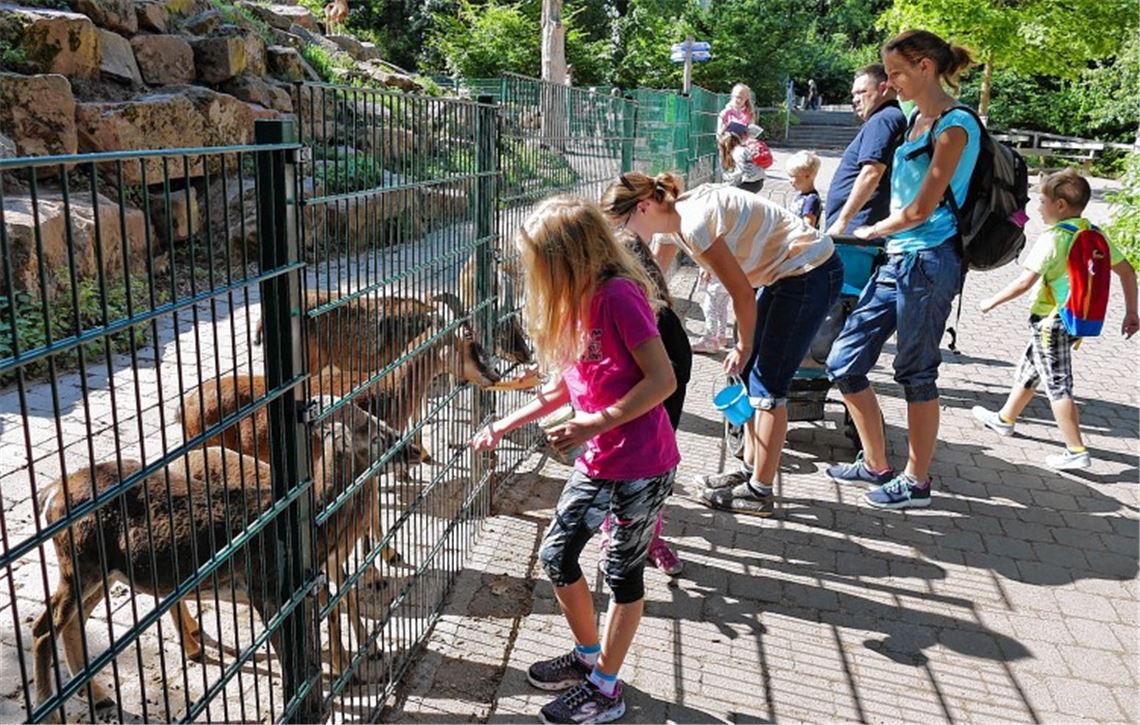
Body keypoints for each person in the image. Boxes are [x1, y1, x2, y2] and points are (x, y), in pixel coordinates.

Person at [471, 195, 678, 724]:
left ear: (568, 256)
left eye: (538, 260)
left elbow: (663, 380)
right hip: (599, 460)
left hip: (641, 463)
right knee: (558, 556)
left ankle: (607, 690)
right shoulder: (577, 302)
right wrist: (502, 423)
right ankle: (589, 658)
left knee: (621, 573)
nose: (531, 272)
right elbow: (565, 388)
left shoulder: (618, 297)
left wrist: (596, 422)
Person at [606, 172, 843, 517]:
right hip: (784, 272)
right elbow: (653, 275)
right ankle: (750, 470)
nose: (623, 235)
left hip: (809, 271)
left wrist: (743, 345)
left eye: (622, 223)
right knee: (750, 376)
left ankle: (760, 492)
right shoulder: (672, 218)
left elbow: (742, 294)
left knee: (768, 385)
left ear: (642, 208)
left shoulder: (694, 224)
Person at [824, 29, 979, 510]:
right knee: (842, 360)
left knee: (915, 371)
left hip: (929, 260)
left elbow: (922, 206)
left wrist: (872, 230)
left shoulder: (955, 126)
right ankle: (875, 462)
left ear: (925, 67)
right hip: (899, 259)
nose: (889, 84)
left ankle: (916, 481)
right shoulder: (913, 118)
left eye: (896, 73)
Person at [971, 169, 1139, 469]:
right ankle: (1004, 419)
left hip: (1052, 322)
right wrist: (1131, 311)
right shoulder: (1094, 233)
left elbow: (1023, 283)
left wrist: (990, 302)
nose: (1038, 207)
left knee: (1057, 384)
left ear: (1060, 205)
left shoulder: (1053, 239)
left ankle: (1076, 450)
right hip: (1075, 321)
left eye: (1043, 201)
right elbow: (1127, 271)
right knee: (1031, 370)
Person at [594, 191, 694, 577]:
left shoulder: (638, 256)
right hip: (646, 376)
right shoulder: (619, 259)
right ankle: (617, 532)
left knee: (652, 456)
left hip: (665, 374)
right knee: (626, 456)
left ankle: (649, 534)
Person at [824, 64, 907, 236]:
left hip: (856, 230)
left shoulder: (884, 119)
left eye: (861, 92)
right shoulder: (886, 118)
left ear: (883, 88)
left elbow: (872, 173)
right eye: (853, 94)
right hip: (857, 227)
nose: (854, 99)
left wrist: (842, 222)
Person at [718, 122, 767, 193]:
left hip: (749, 183)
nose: (747, 136)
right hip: (756, 181)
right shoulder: (740, 149)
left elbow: (740, 172)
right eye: (745, 133)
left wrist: (727, 185)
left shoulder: (738, 151)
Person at [785, 150, 822, 229]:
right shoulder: (801, 196)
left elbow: (808, 227)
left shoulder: (811, 200)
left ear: (807, 176)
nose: (789, 180)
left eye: (792, 176)